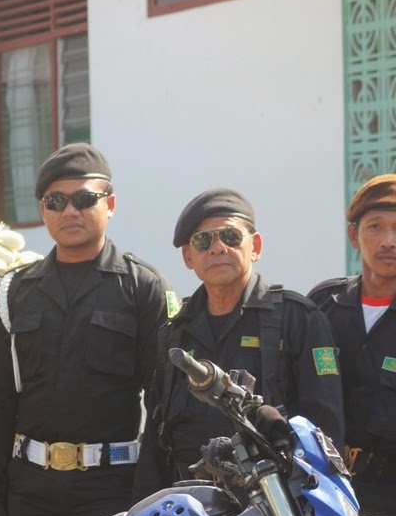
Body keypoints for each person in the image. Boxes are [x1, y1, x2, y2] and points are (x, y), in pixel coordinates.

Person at [0, 143, 173, 516]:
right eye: (56, 201)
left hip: (112, 491)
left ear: (109, 204)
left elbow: (162, 405)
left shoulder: (142, 287)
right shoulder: (15, 291)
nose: (69, 211)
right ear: (43, 209)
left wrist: (148, 495)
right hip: (31, 492)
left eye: (83, 199)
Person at [135, 188, 344, 498]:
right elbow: (156, 441)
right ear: (189, 257)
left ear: (255, 246)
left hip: (278, 509)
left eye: (230, 236)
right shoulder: (174, 332)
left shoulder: (297, 319)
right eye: (203, 241)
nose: (218, 248)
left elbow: (325, 432)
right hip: (194, 508)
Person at [309, 175, 396, 516]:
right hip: (329, 494)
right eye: (375, 227)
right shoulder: (322, 304)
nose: (388, 241)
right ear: (353, 236)